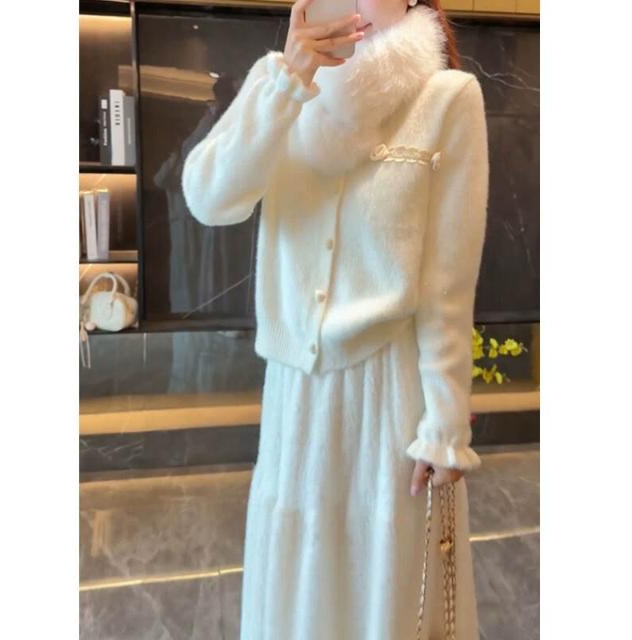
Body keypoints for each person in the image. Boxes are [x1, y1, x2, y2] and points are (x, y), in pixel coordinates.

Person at [181, 0, 489, 637]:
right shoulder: (280, 83)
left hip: (390, 400)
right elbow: (209, 197)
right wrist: (288, 81)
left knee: (386, 593)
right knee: (299, 597)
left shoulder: (447, 98)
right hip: (294, 398)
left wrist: (445, 422)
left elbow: (449, 280)